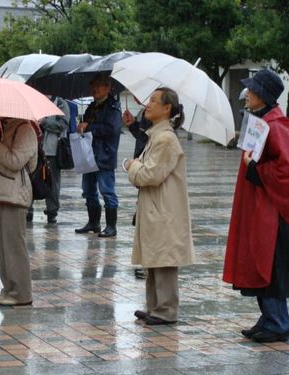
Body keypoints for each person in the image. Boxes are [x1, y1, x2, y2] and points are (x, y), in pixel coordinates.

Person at [223, 69, 289, 343]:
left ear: (262, 95)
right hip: (259, 208)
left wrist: (256, 168)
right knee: (260, 263)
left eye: (251, 90)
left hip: (271, 216)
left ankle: (279, 322)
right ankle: (269, 318)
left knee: (270, 266)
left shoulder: (276, 125)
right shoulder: (262, 120)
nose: (247, 94)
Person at [124, 87, 195, 325]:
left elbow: (149, 175)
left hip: (164, 210)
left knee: (163, 259)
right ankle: (155, 307)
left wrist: (130, 166)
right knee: (154, 258)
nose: (148, 104)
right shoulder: (156, 135)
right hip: (156, 207)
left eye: (154, 101)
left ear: (167, 109)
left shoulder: (165, 139)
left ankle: (165, 310)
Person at [0, 117, 37, 306]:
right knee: (2, 246)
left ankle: (21, 293)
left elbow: (15, 162)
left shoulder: (25, 129)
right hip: (1, 192)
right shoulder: (7, 128)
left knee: (14, 246)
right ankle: (8, 288)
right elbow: (1, 162)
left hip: (16, 194)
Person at [75, 73, 122, 237]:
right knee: (88, 190)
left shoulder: (113, 107)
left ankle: (111, 226)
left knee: (107, 190)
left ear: (107, 88)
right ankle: (93, 222)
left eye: (98, 85)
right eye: (93, 85)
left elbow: (112, 129)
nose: (94, 88)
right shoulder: (92, 106)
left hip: (104, 155)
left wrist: (88, 127)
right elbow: (86, 126)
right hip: (89, 155)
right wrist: (81, 126)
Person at [27, 96, 70, 224]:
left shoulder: (61, 104)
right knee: (30, 179)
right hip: (33, 147)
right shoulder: (33, 101)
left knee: (53, 181)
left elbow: (63, 125)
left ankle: (52, 211)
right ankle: (28, 210)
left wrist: (44, 121)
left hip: (52, 150)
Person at [123, 100, 152, 280]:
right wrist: (134, 125)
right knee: (142, 220)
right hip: (141, 170)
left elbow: (148, 144)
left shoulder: (154, 116)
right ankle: (147, 264)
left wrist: (135, 166)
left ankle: (149, 265)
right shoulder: (146, 112)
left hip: (144, 171)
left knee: (148, 221)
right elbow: (143, 139)